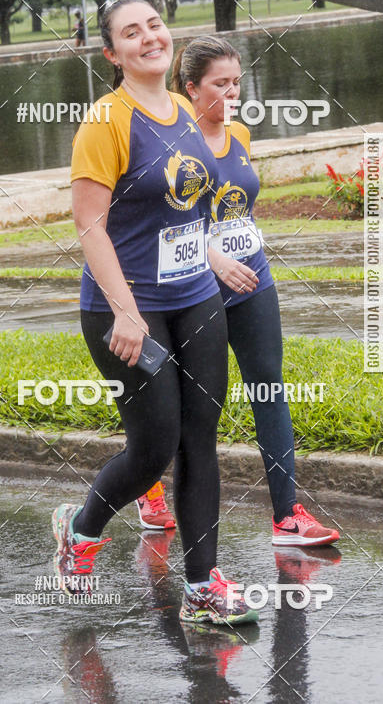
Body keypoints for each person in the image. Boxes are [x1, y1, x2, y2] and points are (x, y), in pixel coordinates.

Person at [52, 0, 258, 625]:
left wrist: (216, 256)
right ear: (112, 53)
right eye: (130, 32)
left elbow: (192, 205)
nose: (149, 38)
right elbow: (89, 225)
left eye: (154, 26)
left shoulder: (188, 115)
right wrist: (125, 310)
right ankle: (81, 532)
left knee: (201, 439)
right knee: (154, 446)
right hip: (125, 310)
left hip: (194, 298)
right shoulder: (105, 121)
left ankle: (203, 584)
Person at [137, 36, 340, 547]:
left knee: (269, 388)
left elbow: (238, 206)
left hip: (253, 281)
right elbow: (164, 217)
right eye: (219, 84)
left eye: (236, 83)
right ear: (189, 88)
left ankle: (287, 516)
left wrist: (241, 249)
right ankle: (147, 487)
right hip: (193, 289)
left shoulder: (241, 134)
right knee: (182, 407)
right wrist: (213, 257)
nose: (232, 93)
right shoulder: (174, 144)